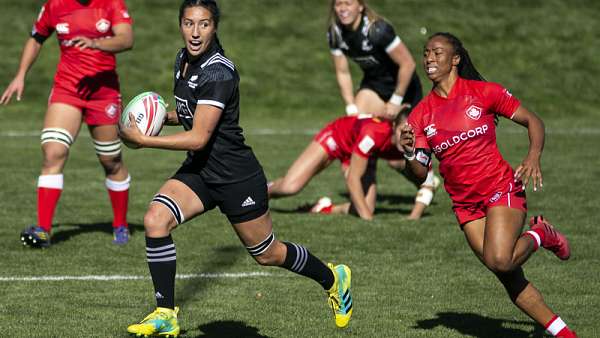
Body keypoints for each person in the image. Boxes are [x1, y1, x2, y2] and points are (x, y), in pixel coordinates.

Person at [119, 1, 352, 335]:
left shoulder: (219, 72)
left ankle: (333, 277)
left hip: (236, 176)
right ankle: (164, 314)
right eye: (188, 23)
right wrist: (158, 117)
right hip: (200, 171)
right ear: (180, 25)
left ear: (215, 27)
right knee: (156, 219)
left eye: (203, 24)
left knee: (268, 254)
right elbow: (193, 115)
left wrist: (143, 140)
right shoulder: (181, 60)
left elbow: (199, 136)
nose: (195, 32)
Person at [399, 32, 577, 338]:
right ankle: (564, 334)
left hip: (500, 188)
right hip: (466, 205)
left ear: (455, 60)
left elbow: (533, 121)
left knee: (500, 258)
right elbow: (420, 173)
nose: (429, 58)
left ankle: (540, 233)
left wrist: (533, 155)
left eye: (437, 53)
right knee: (505, 272)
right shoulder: (421, 114)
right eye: (426, 52)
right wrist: (407, 153)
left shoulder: (483, 92)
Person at [1, 0, 134, 247]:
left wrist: (96, 43)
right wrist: (20, 74)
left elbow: (126, 39)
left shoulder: (111, 3)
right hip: (67, 89)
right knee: (53, 152)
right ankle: (43, 230)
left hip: (103, 93)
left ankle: (120, 225)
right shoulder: (55, 5)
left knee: (111, 160)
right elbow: (36, 37)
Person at [269, 108, 438, 221]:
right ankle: (259, 192)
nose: (407, 136)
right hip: (337, 138)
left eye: (413, 132)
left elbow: (429, 183)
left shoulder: (417, 145)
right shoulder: (374, 134)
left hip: (364, 153)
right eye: (403, 130)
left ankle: (324, 208)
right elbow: (353, 178)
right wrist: (368, 221)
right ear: (394, 126)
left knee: (366, 207)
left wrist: (413, 218)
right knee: (290, 187)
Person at [327, 0, 422, 120]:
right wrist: (351, 107)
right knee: (356, 122)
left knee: (403, 135)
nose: (342, 8)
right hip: (375, 87)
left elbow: (408, 64)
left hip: (404, 90)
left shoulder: (378, 30)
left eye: (348, 3)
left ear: (360, 6)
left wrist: (395, 100)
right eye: (338, 4)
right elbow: (342, 72)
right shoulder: (335, 34)